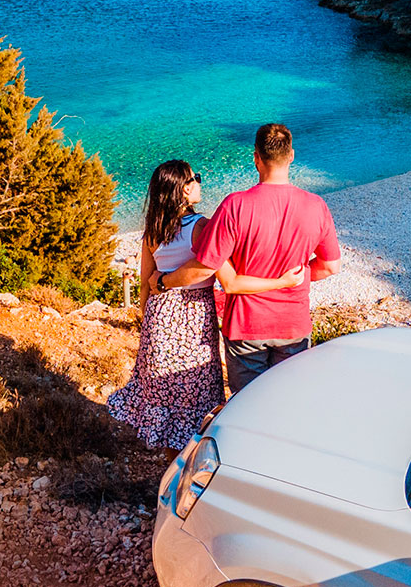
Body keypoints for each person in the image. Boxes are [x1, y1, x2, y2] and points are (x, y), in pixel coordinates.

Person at [107, 160, 304, 448]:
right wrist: (280, 280)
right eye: (195, 178)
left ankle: (167, 455)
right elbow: (224, 273)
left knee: (165, 389)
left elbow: (145, 284)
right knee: (194, 387)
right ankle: (192, 461)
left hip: (159, 315)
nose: (200, 182)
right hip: (192, 313)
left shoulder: (152, 231)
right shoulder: (201, 226)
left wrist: (147, 322)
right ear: (185, 190)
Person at [161, 123, 340, 392]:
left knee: (246, 405)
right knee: (289, 402)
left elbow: (204, 267)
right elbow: (330, 266)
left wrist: (164, 280)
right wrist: (296, 277)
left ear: (256, 157)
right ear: (291, 155)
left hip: (246, 326)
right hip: (293, 324)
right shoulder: (316, 206)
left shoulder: (235, 206)